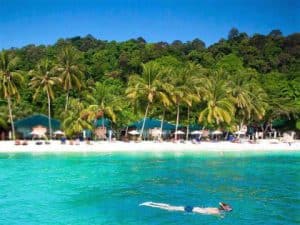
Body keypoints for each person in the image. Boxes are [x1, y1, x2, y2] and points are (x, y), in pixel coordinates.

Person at [139, 201, 232, 215]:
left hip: (192, 207)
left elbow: (220, 203)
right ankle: (148, 204)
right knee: (168, 208)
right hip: (191, 210)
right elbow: (219, 215)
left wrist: (224, 207)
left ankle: (151, 202)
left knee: (169, 207)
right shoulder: (217, 212)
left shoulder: (215, 208)